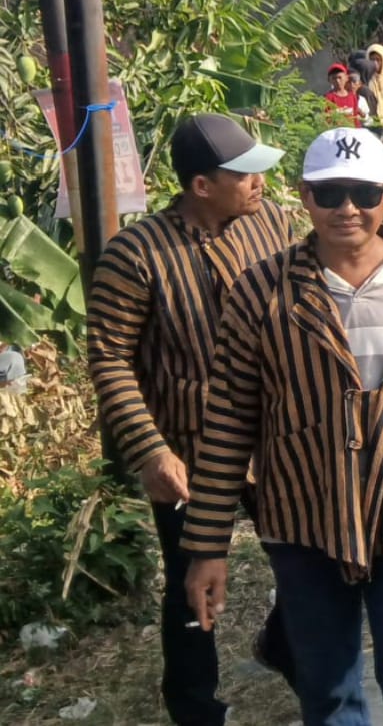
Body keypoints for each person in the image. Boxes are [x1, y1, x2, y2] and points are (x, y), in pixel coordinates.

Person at [181, 127, 383, 726]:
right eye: (329, 194)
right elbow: (227, 422)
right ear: (304, 197)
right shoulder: (263, 291)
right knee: (327, 692)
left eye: (363, 192)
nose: (347, 208)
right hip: (304, 520)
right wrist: (206, 547)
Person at [87, 114, 294, 725]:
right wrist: (149, 448)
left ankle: (286, 647)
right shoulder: (135, 256)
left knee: (307, 557)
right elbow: (108, 357)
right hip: (189, 450)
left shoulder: (272, 224)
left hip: (275, 437)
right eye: (244, 174)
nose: (260, 182)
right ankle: (196, 708)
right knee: (192, 585)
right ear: (201, 185)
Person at [323, 63, 367, 127]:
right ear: (329, 80)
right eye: (334, 78)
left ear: (346, 78)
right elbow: (327, 120)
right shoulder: (328, 98)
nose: (337, 81)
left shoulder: (352, 97)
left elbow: (355, 119)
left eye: (340, 77)